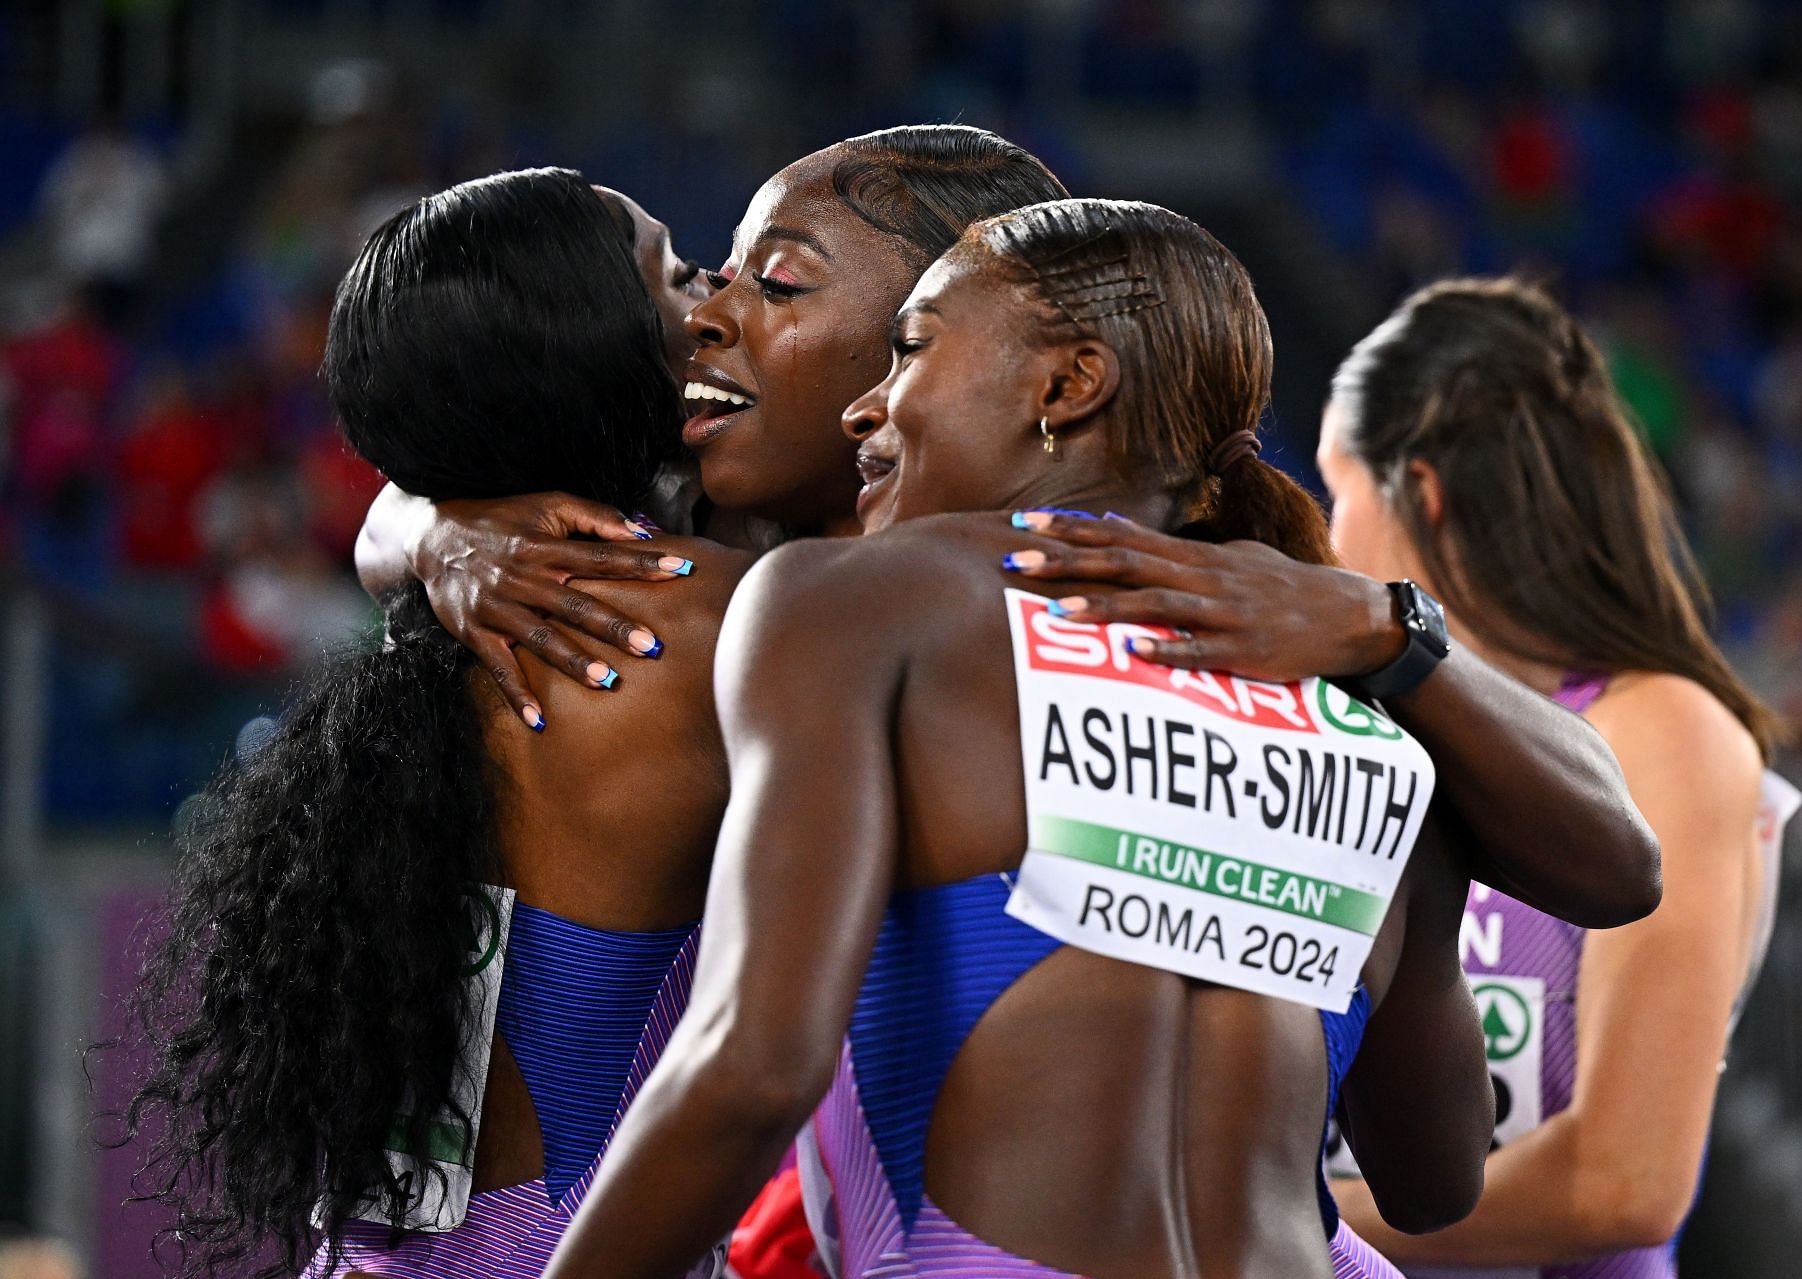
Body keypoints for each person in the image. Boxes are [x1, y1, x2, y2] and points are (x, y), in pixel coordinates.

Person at [353, 128, 1660, 930]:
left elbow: (1613, 863)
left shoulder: (1146, 616)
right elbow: (437, 452)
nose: (707, 316)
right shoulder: (706, 549)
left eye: (777, 283)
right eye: (714, 274)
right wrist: (432, 532)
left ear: (968, 335)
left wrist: (1394, 631)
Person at [538, 198, 1494, 1279]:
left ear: (1066, 387)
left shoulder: (861, 603)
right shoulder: (1368, 708)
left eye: (910, 348)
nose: (865, 407)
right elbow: (1435, 1181)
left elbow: (755, 1066)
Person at [119, 168, 753, 1279]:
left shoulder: (446, 601)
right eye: (677, 274)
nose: (714, 305)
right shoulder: (718, 621)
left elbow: (391, 503)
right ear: (597, 347)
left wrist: (426, 526)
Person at [1306, 278, 1780, 1276]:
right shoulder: (1351, 722)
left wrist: (1266, 1208)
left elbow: (1625, 1181)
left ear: (1419, 493)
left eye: (1336, 491)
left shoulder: (1662, 729)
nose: (1324, 537)